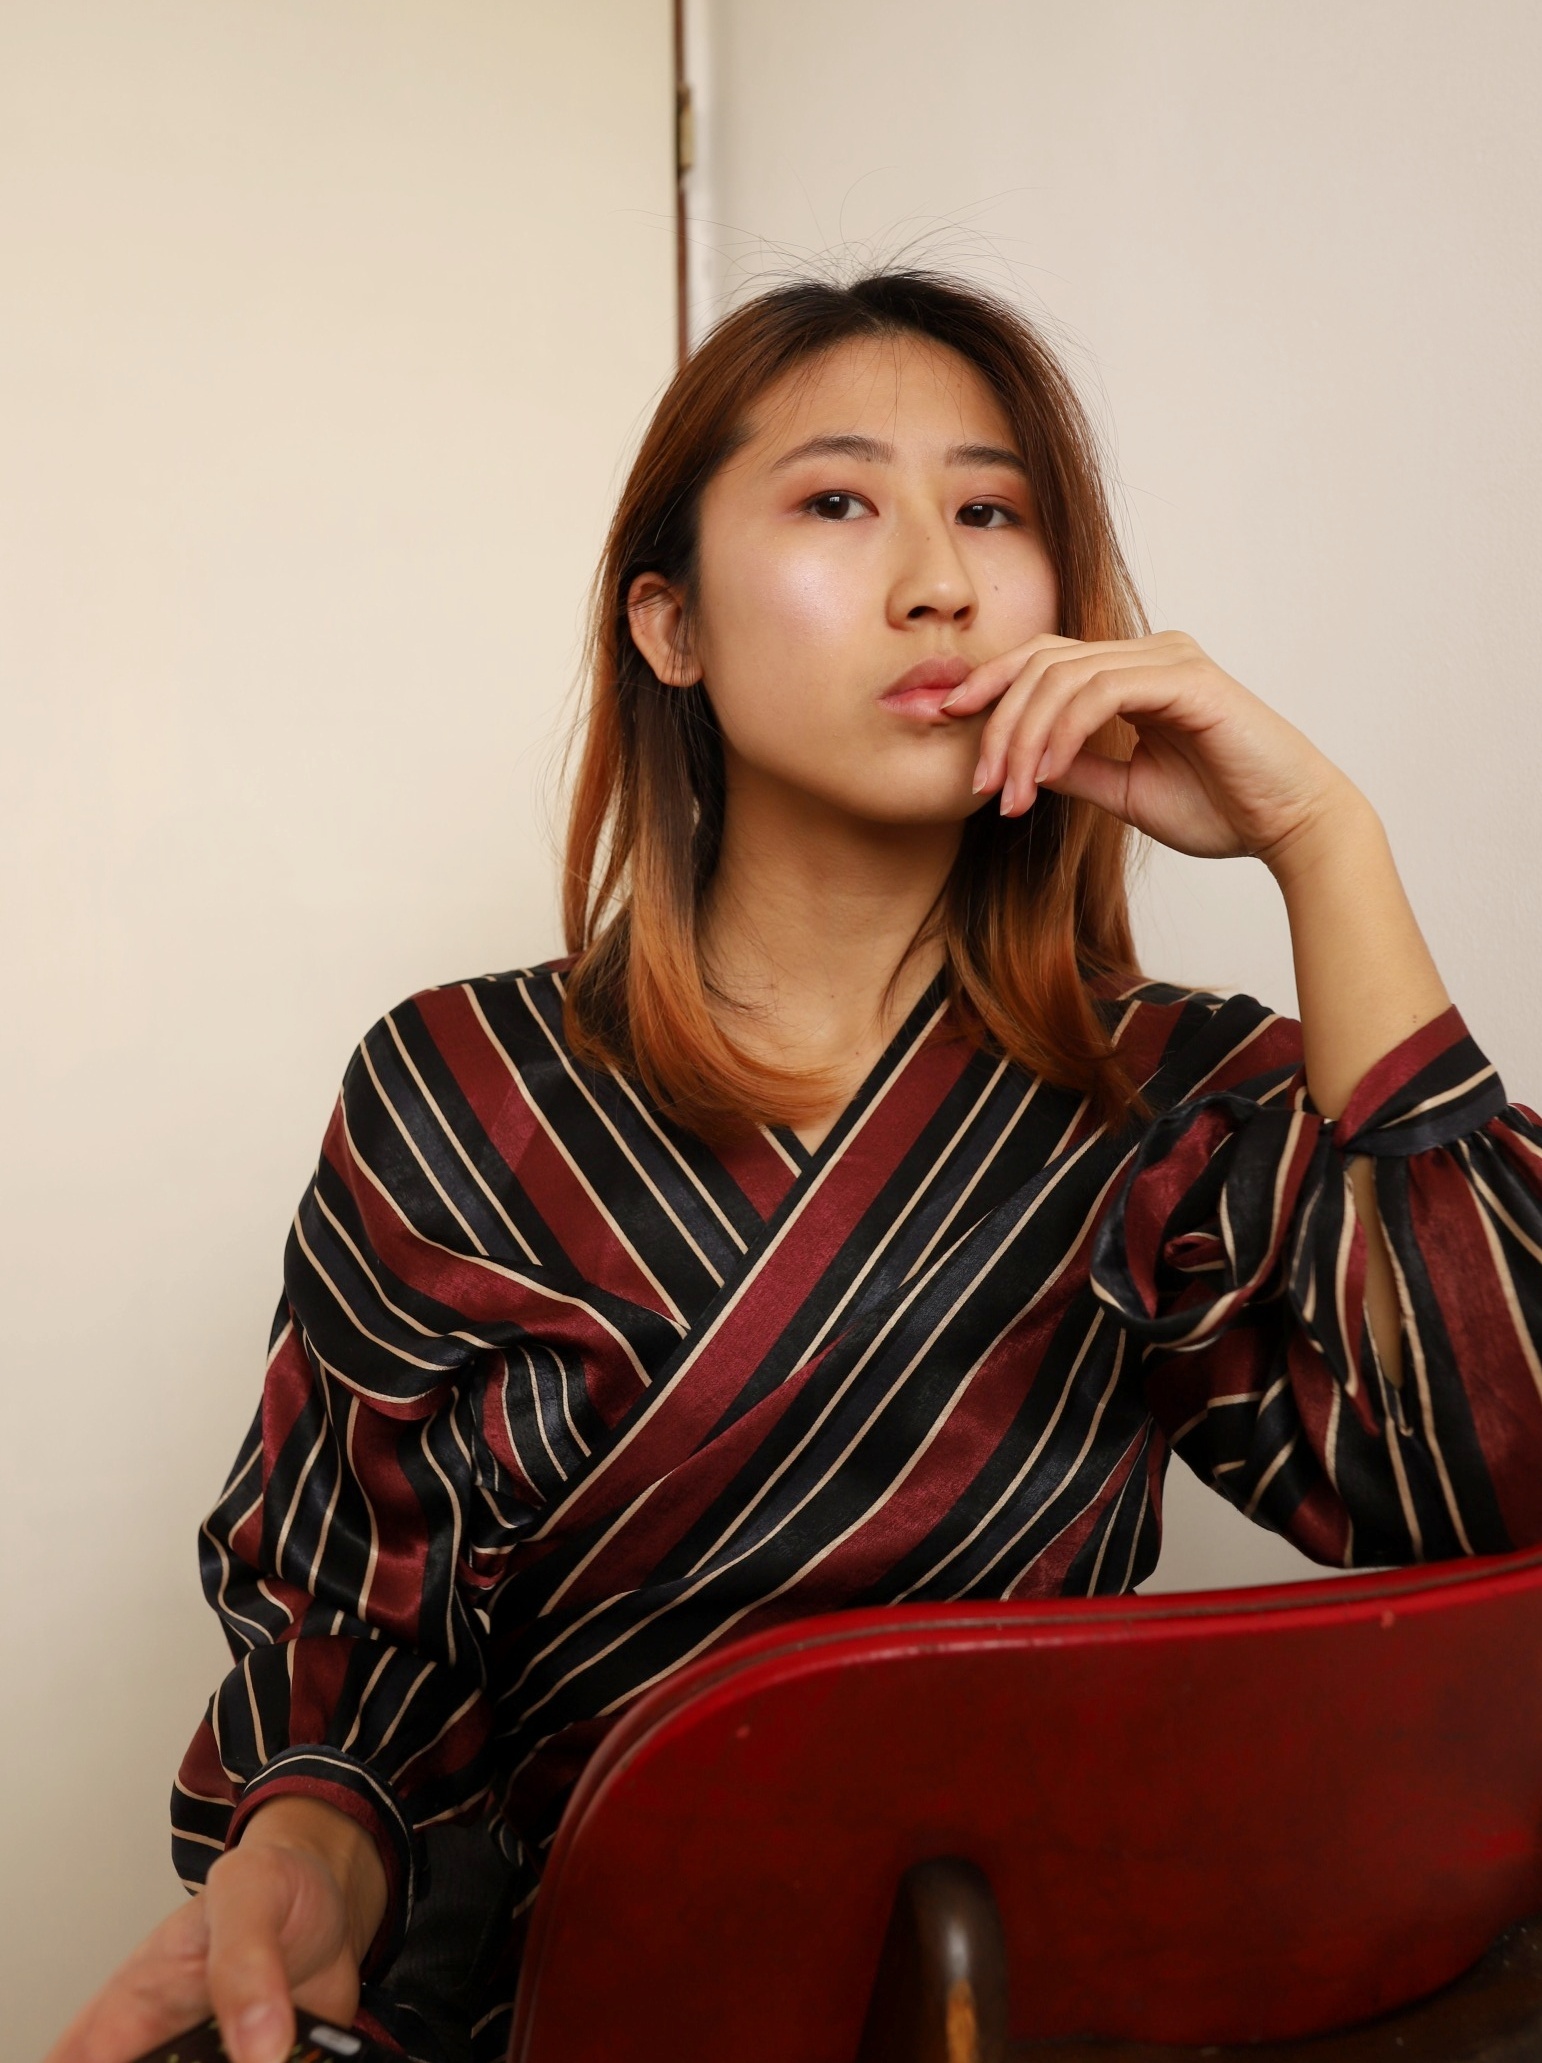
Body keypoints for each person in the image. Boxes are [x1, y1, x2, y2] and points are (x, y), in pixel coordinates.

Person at [48, 270, 1542, 2063]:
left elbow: (1502, 1480)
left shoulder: (1170, 1098)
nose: (936, 581)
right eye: (837, 501)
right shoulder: (457, 1089)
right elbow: (352, 1675)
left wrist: (1324, 843)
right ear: (669, 624)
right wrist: (302, 1866)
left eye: (991, 513)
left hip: (1037, 2021)